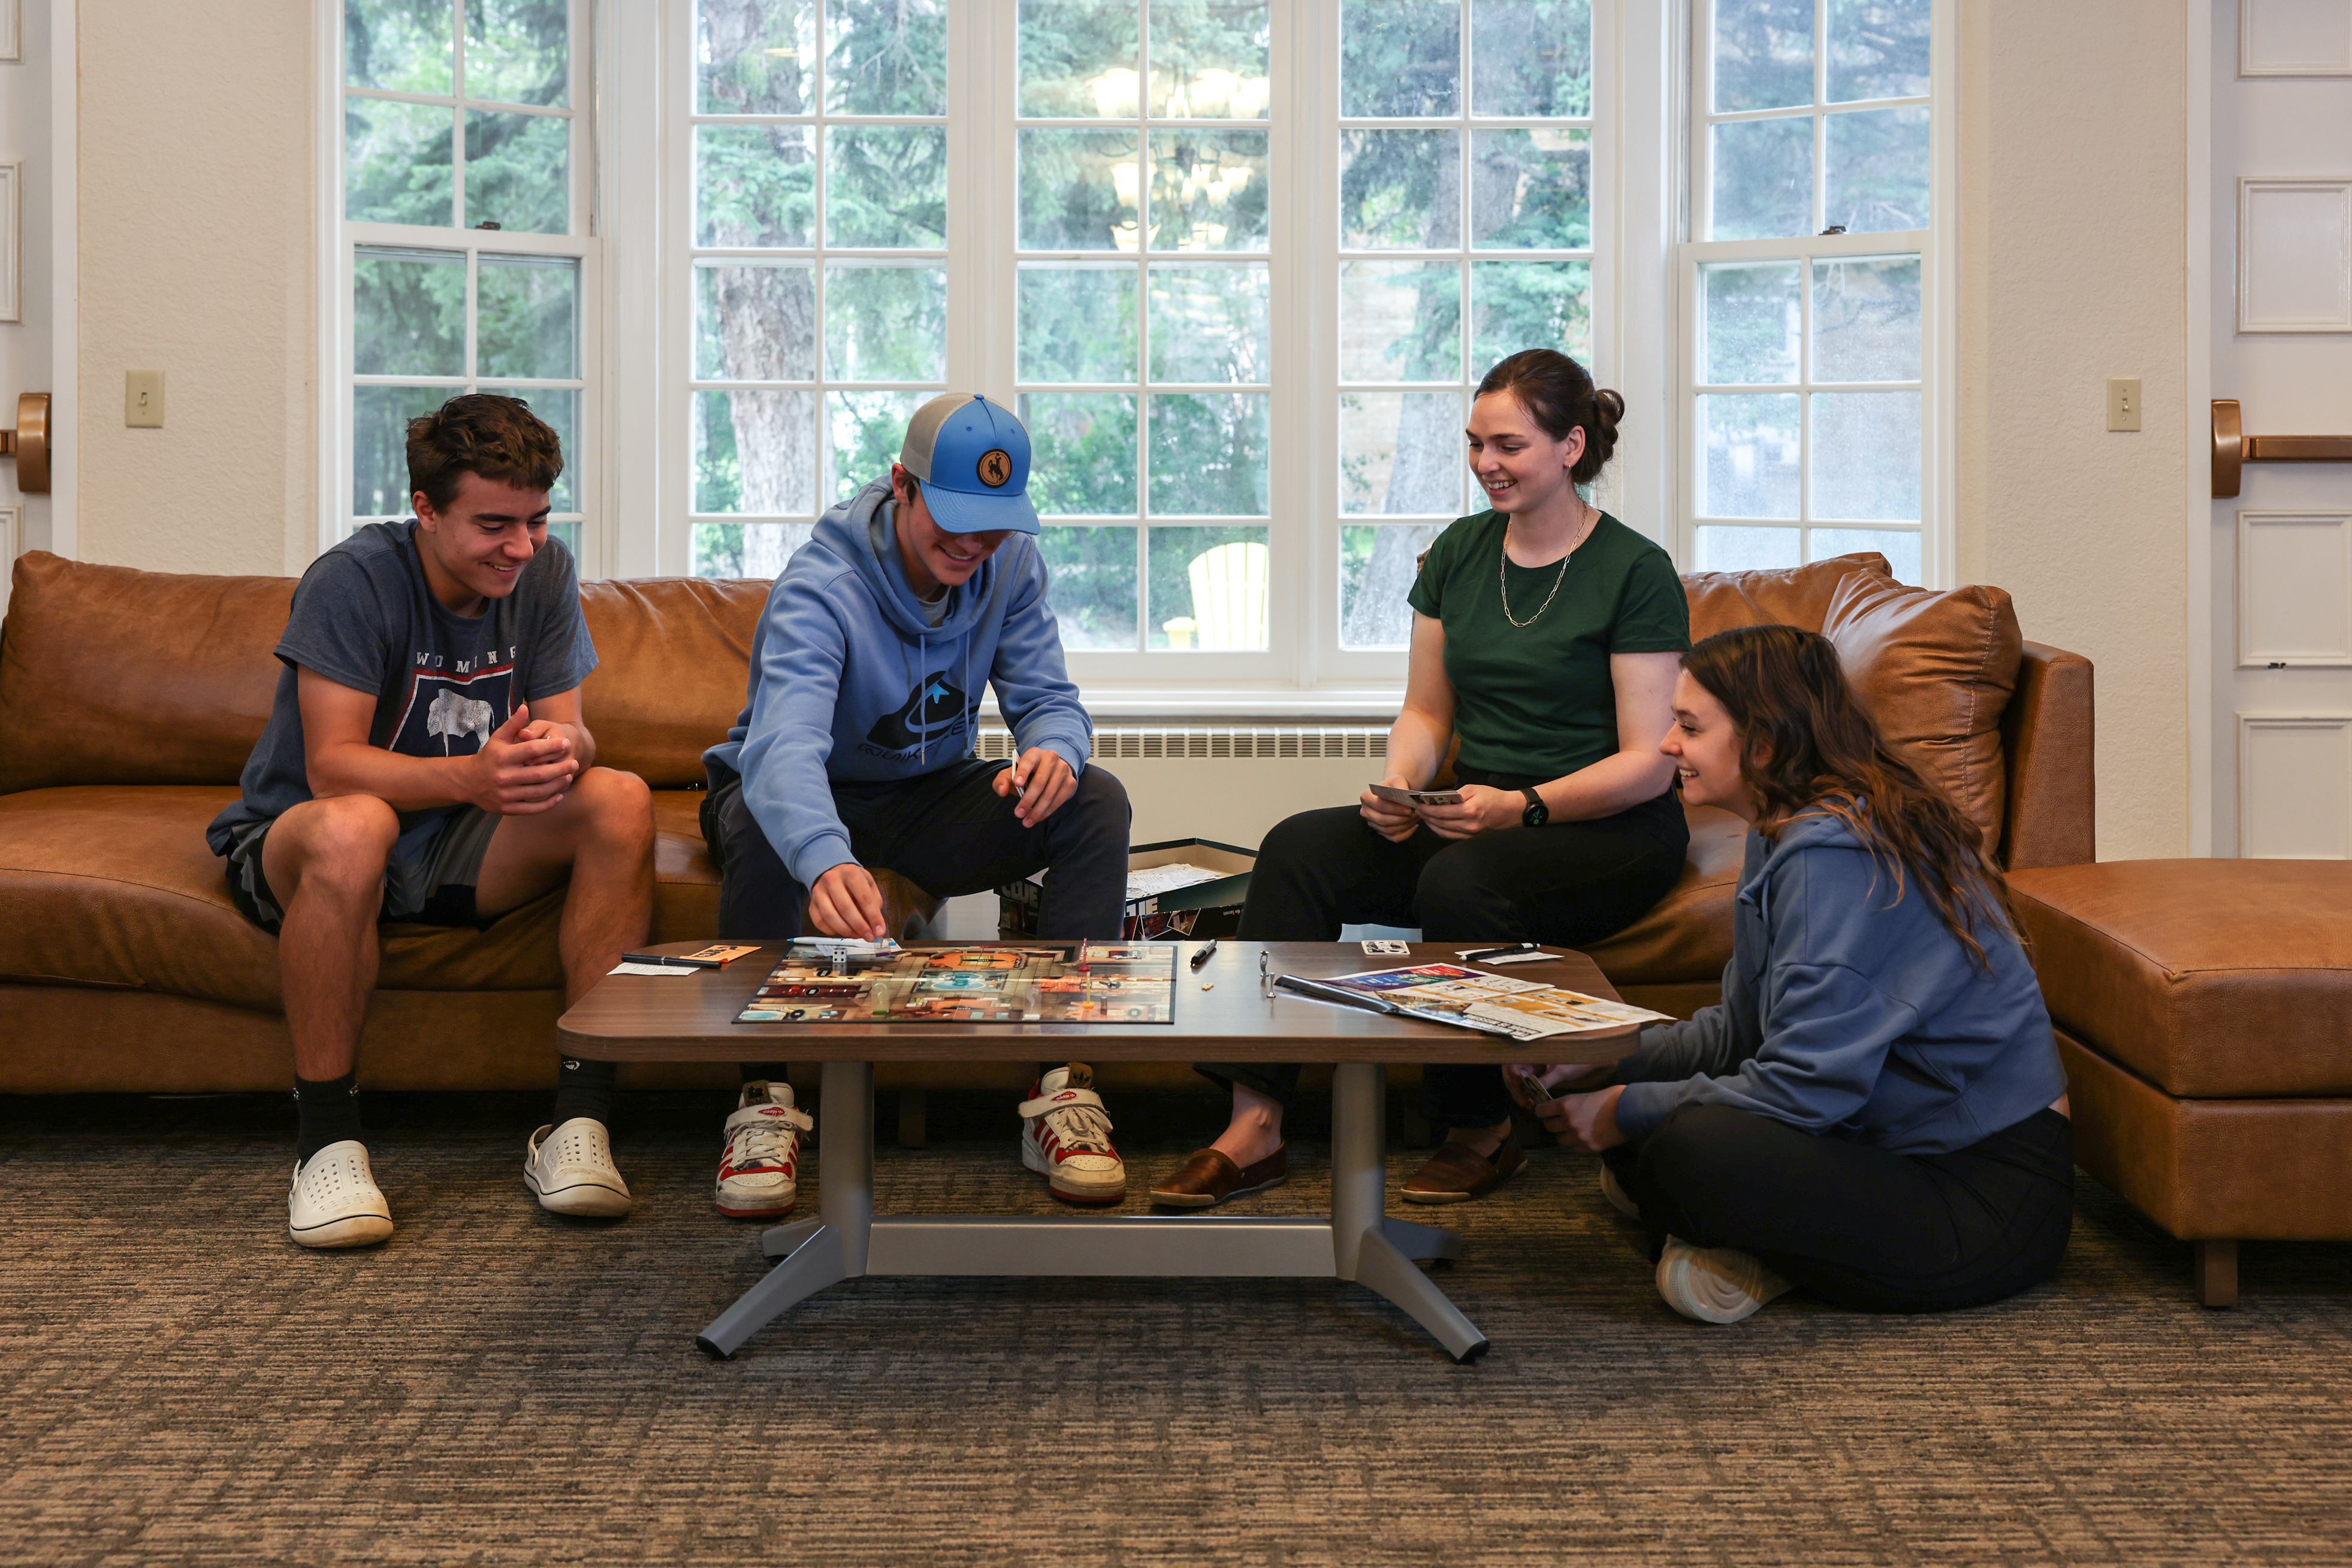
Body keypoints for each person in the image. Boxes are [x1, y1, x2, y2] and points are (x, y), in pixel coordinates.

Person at [1153, 349, 1690, 1209]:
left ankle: (1479, 1130)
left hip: (1605, 828)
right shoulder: (1457, 554)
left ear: (1571, 446)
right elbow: (1428, 713)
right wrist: (1402, 785)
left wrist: (1523, 806)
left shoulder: (1634, 570)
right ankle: (1254, 1123)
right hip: (1473, 812)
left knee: (1461, 879)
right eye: (1476, 443)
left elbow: (1646, 762)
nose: (1486, 464)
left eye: (1508, 445)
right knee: (1299, 847)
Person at [1514, 624, 2074, 1324]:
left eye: (1688, 726)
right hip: (1881, 1143)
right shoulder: (1782, 826)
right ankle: (1748, 1234)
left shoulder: (1834, 856)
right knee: (1653, 1114)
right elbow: (1740, 1031)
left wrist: (1623, 1109)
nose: (1666, 744)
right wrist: (1600, 1056)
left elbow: (1805, 1087)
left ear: (1765, 743)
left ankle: (1759, 1249)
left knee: (1686, 1147)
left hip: (1982, 1195)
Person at [207, 394, 657, 1250]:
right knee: (356, 825)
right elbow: (329, 765)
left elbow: (576, 725)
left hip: (461, 836)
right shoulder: (355, 578)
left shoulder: (546, 574)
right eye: (494, 525)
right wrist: (476, 774)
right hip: (303, 834)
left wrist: (563, 745)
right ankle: (326, 1144)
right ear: (425, 509)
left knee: (620, 797)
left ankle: (578, 1122)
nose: (520, 547)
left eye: (535, 520)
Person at [701, 392, 1134, 1211]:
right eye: (953, 518)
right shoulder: (819, 587)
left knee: (1095, 799)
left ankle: (1064, 1088)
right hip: (797, 792)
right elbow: (783, 747)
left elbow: (1048, 695)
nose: (973, 543)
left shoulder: (1008, 565)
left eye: (993, 522)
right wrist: (824, 854)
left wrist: (1053, 748)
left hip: (925, 792)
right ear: (902, 484)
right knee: (768, 821)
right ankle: (763, 1103)